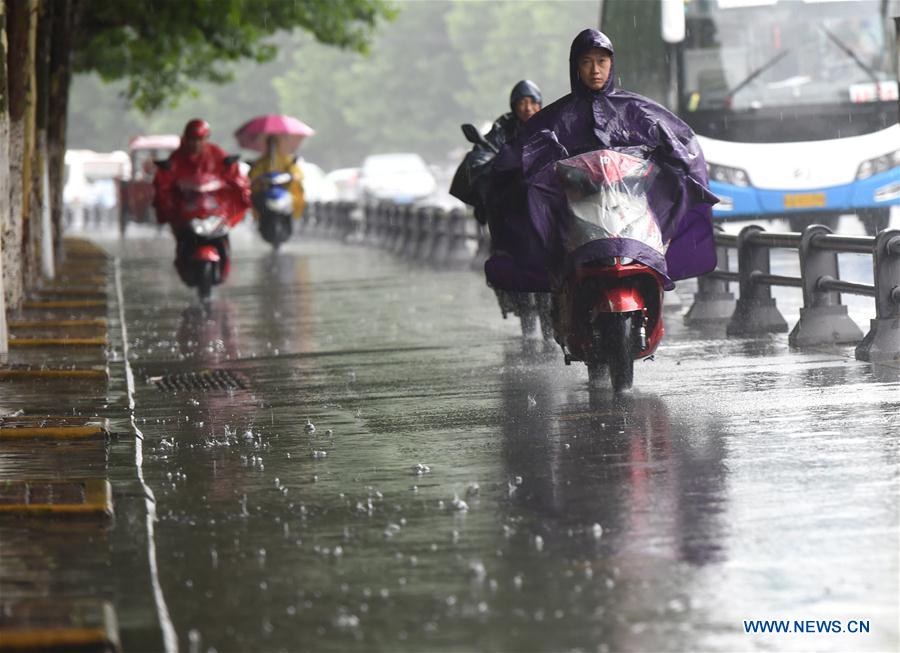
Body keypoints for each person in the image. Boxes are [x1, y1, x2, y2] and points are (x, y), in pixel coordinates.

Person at [489, 29, 718, 290]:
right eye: (586, 62)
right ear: (575, 66)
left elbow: (683, 142)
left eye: (602, 61)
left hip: (631, 210)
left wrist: (669, 152)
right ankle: (554, 276)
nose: (595, 70)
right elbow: (514, 158)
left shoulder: (637, 109)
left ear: (612, 64)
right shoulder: (555, 117)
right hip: (575, 212)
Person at [153, 119, 250, 278]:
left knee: (223, 231)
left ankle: (225, 262)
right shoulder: (177, 158)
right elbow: (165, 185)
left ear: (206, 139)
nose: (195, 144)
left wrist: (231, 169)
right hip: (188, 210)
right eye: (192, 139)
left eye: (199, 140)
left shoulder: (217, 154)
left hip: (212, 209)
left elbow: (231, 177)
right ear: (185, 139)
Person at [248, 135, 306, 220]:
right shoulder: (262, 161)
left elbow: (296, 172)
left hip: (284, 190)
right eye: (270, 143)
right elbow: (254, 174)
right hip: (266, 190)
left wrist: (294, 175)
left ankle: (294, 217)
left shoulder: (286, 160)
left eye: (275, 143)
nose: (272, 146)